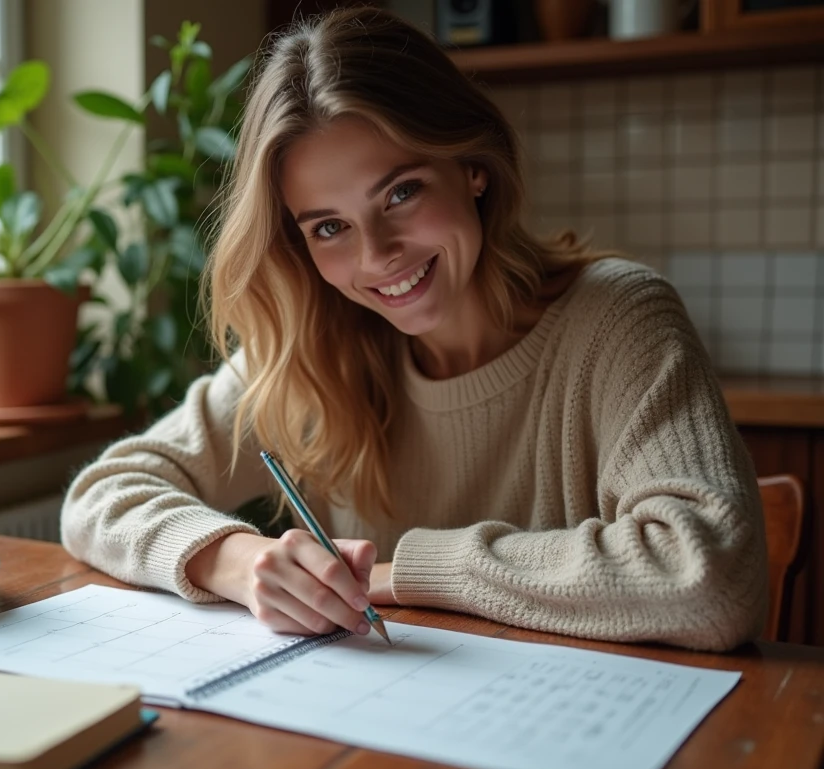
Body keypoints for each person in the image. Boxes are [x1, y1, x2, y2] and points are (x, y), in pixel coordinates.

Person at [61, 7, 767, 652]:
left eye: (401, 192)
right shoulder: (313, 349)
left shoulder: (619, 318)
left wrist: (402, 576)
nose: (375, 256)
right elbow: (102, 495)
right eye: (329, 226)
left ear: (473, 167)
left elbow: (711, 579)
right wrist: (236, 559)